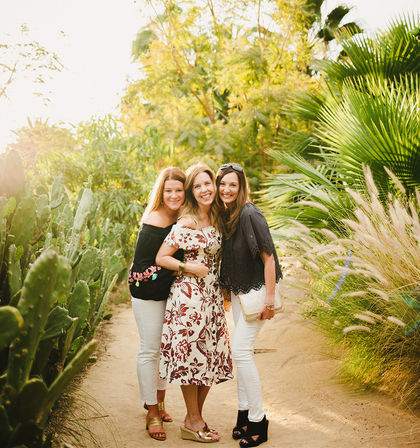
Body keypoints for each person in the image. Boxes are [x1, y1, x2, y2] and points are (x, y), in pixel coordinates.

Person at [156, 164, 233, 443]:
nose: (205, 190)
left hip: (212, 297)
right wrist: (188, 268)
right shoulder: (187, 221)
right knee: (191, 359)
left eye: (208, 183)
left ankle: (193, 419)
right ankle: (195, 419)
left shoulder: (218, 216)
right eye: (198, 186)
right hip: (189, 298)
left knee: (210, 358)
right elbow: (162, 257)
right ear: (192, 191)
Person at [130, 167, 203, 441]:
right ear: (161, 192)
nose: (173, 195)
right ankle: (152, 412)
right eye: (168, 190)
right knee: (150, 349)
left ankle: (159, 402)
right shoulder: (156, 218)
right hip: (147, 292)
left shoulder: (183, 217)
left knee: (164, 349)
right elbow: (140, 268)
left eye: (178, 190)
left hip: (170, 291)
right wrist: (178, 269)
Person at [215, 163, 282, 448]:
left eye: (233, 185)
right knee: (239, 352)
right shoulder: (228, 215)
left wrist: (269, 300)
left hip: (257, 295)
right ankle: (243, 414)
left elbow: (269, 259)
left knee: (241, 351)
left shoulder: (249, 213)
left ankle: (258, 420)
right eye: (223, 184)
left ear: (242, 187)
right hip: (241, 295)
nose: (227, 189)